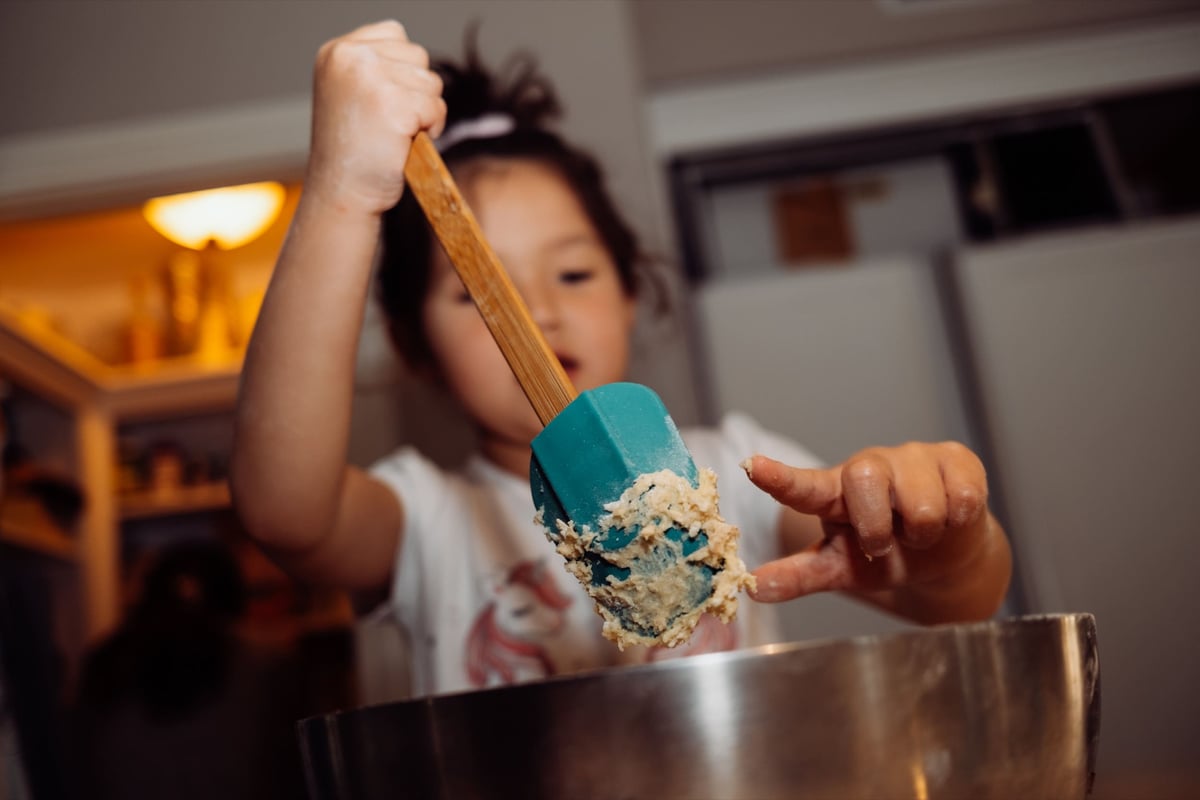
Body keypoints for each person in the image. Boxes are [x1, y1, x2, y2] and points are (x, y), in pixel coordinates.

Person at [231, 20, 1012, 697]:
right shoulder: (427, 522)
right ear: (414, 348)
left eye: (573, 273)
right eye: (478, 294)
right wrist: (340, 193)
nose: (536, 311)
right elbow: (283, 512)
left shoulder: (734, 475)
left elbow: (957, 601)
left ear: (631, 294)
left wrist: (946, 542)